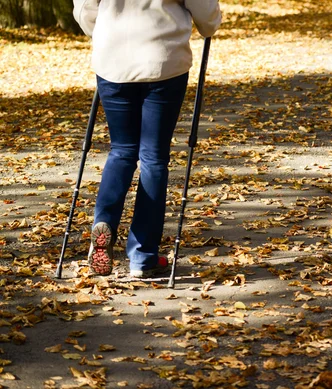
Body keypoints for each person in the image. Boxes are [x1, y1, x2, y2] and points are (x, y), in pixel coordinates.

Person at [72, 0, 222, 278]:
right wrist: (210, 23)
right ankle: (142, 257)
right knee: (153, 158)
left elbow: (84, 8)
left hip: (113, 60)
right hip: (163, 60)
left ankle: (103, 224)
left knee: (122, 151)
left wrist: (104, 32)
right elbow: (205, 11)